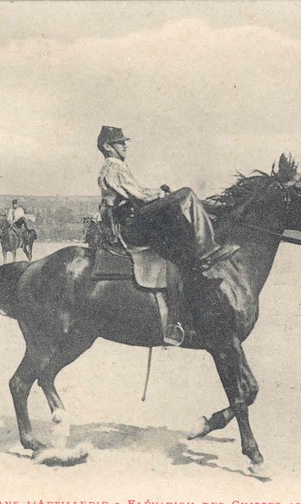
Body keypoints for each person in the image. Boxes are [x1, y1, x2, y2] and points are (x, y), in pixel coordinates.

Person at [95, 126, 238, 346]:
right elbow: (139, 194)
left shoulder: (116, 167)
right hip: (130, 223)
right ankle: (207, 248)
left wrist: (160, 194)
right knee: (187, 195)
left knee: (177, 214)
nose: (125, 146)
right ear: (107, 146)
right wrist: (161, 194)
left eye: (124, 142)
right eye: (120, 142)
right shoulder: (114, 166)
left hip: (130, 220)